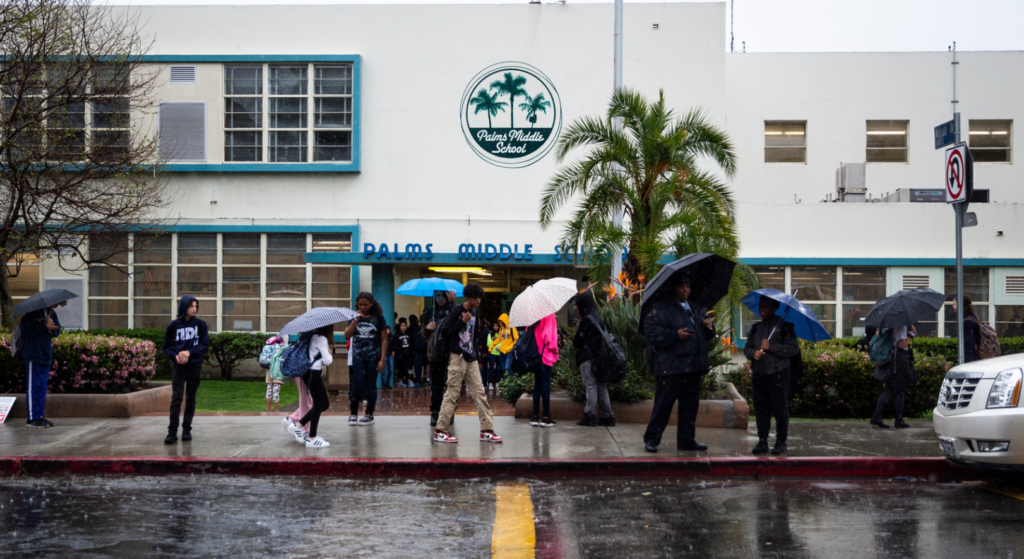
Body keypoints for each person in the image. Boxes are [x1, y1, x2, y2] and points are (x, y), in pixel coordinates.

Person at [642, 276, 716, 453]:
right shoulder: (661, 308)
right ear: (673, 289)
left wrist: (709, 328)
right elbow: (651, 331)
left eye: (687, 286)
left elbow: (705, 335)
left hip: (693, 367)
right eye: (681, 286)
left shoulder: (695, 308)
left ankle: (686, 440)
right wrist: (675, 335)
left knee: (690, 407)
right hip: (671, 367)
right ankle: (652, 439)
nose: (685, 289)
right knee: (663, 405)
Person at [433, 283, 503, 444]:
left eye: (479, 298)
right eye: (474, 297)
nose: (478, 300)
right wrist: (462, 321)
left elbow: (473, 336)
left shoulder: (476, 311)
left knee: (480, 393)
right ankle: (440, 431)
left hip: (471, 357)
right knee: (452, 393)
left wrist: (477, 357)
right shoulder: (457, 310)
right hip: (456, 357)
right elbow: (445, 331)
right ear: (468, 297)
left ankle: (487, 430)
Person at [743, 296, 800, 456]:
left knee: (780, 410)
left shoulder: (785, 327)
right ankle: (762, 441)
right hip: (759, 374)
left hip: (778, 374)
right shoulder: (755, 328)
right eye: (760, 307)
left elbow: (792, 349)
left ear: (774, 308)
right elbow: (747, 348)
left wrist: (771, 347)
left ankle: (781, 442)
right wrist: (753, 353)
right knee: (761, 410)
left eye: (766, 307)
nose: (762, 310)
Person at [162, 295, 210, 444]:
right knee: (177, 398)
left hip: (195, 366)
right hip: (179, 368)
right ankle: (172, 432)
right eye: (191, 306)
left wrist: (190, 352)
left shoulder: (201, 325)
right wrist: (175, 356)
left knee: (191, 398)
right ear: (184, 307)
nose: (194, 309)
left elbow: (205, 346)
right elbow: (165, 348)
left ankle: (187, 429)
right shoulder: (174, 325)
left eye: (196, 306)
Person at [573, 291, 616, 427]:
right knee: (601, 386)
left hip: (588, 358)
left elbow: (576, 342)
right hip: (600, 358)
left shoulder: (586, 320)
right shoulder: (596, 317)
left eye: (577, 305)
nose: (576, 308)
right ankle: (607, 416)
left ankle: (590, 416)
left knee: (590, 386)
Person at [344, 292, 388, 426]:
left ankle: (369, 414)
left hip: (373, 357)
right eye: (360, 304)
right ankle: (353, 413)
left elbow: (384, 339)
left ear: (371, 304)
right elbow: (347, 335)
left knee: (371, 386)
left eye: (365, 304)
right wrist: (354, 321)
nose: (362, 307)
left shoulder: (378, 318)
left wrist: (382, 359)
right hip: (358, 356)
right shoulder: (354, 317)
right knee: (356, 385)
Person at [19, 302, 64, 428]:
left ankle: (40, 416)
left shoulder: (51, 313)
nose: (58, 305)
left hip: (46, 354)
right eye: (56, 303)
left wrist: (54, 328)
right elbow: (25, 331)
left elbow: (56, 331)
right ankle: (32, 418)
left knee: (42, 387)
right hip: (33, 354)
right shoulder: (32, 314)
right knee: (33, 386)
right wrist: (44, 326)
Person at [293, 324, 334, 448]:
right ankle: (312, 438)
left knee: (324, 404)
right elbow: (327, 361)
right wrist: (328, 353)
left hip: (308, 373)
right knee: (319, 403)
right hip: (314, 373)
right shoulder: (321, 338)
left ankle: (299, 425)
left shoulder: (310, 335)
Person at [421, 290, 456, 426]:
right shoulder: (430, 312)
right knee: (436, 386)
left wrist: (452, 302)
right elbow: (422, 332)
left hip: (450, 353)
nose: (440, 299)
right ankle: (435, 412)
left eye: (443, 295)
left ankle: (449, 411)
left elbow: (459, 321)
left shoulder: (451, 310)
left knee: (451, 385)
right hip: (435, 353)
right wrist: (428, 329)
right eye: (438, 296)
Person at [870, 325, 915, 429]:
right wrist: (911, 334)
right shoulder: (901, 326)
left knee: (889, 388)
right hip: (899, 359)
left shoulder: (896, 324)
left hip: (894, 358)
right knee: (901, 389)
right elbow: (903, 344)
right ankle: (898, 420)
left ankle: (877, 417)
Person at [530, 313, 560, 428]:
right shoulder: (549, 315)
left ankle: (535, 416)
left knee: (537, 385)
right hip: (545, 355)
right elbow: (548, 337)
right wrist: (556, 350)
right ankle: (545, 417)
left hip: (536, 355)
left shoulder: (533, 316)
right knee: (545, 384)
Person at [489, 313, 519, 385]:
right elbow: (498, 339)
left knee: (507, 367)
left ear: (505, 320)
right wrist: (491, 346)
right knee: (504, 369)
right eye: (500, 321)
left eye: (502, 321)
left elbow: (516, 339)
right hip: (502, 352)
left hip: (509, 352)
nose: (501, 323)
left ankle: (513, 381)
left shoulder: (512, 329)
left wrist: (509, 348)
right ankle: (507, 384)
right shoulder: (501, 329)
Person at [955, 295, 982, 363]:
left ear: (960, 305)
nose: (953, 306)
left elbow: (969, 344)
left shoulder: (967, 322)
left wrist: (967, 362)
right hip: (976, 358)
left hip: (971, 360)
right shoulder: (972, 318)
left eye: (954, 304)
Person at [394, 321, 413, 387]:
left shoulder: (409, 334)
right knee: (400, 368)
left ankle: (409, 380)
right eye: (402, 326)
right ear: (400, 327)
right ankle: (400, 381)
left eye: (405, 326)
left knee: (409, 368)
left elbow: (411, 344)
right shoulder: (397, 335)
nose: (403, 327)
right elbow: (396, 345)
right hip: (400, 355)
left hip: (408, 354)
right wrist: (401, 351)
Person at [409, 314, 426, 387]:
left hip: (415, 350)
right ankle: (418, 379)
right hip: (419, 350)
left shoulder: (411, 329)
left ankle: (416, 379)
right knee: (418, 365)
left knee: (416, 365)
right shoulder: (421, 329)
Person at [485, 322, 503, 390]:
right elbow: (488, 344)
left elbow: (502, 343)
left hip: (499, 353)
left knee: (498, 368)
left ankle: (497, 382)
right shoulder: (490, 334)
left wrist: (498, 346)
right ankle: (489, 382)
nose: (495, 327)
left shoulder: (501, 334)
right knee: (491, 368)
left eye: (497, 326)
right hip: (492, 353)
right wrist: (494, 340)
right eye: (494, 326)